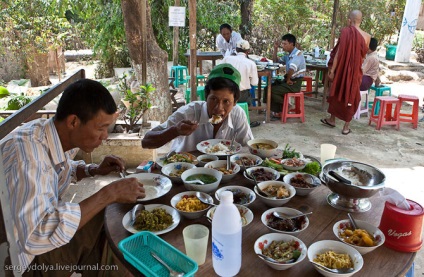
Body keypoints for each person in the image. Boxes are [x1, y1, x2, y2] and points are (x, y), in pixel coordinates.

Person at [1, 79, 146, 276]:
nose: (105, 136)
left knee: (111, 219)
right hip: (24, 260)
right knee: (111, 221)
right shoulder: (27, 157)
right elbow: (36, 235)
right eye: (101, 128)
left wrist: (93, 170)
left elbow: (58, 171)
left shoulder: (49, 134)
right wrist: (108, 193)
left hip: (31, 235)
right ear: (73, 122)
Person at [142, 63, 253, 152]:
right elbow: (146, 141)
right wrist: (175, 131)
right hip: (181, 171)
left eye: (226, 101)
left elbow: (248, 148)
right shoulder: (188, 113)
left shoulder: (238, 115)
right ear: (206, 97)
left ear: (235, 102)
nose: (219, 108)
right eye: (214, 99)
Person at [321, 10, 371, 135]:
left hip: (342, 70)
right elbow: (363, 56)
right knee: (351, 96)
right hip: (355, 73)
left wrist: (332, 70)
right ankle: (345, 127)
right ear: (360, 20)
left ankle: (332, 119)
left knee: (337, 92)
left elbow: (338, 53)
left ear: (350, 20)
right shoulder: (367, 37)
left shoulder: (345, 32)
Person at [263, 34, 306, 118]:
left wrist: (288, 79)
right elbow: (275, 61)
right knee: (267, 88)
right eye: (282, 44)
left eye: (285, 44)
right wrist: (275, 49)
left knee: (273, 90)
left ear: (291, 44)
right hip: (289, 79)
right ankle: (274, 109)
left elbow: (291, 69)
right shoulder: (288, 55)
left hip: (294, 83)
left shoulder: (297, 55)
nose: (283, 46)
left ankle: (287, 106)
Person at [221, 40, 261, 128]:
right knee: (249, 94)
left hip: (224, 93)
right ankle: (243, 121)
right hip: (240, 96)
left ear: (236, 49)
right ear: (248, 51)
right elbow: (255, 82)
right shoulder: (251, 63)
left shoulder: (227, 59)